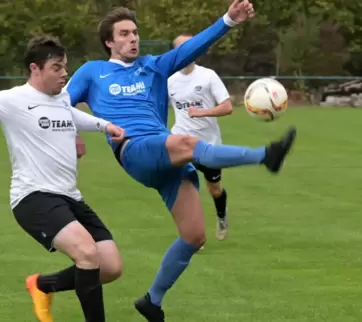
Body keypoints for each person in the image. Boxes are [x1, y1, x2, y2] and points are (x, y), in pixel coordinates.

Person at [66, 1, 296, 321]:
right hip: (134, 149)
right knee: (187, 142)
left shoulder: (154, 65)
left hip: (164, 153)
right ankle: (266, 156)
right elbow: (60, 104)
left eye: (135, 32)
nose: (133, 38)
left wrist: (229, 20)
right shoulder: (93, 72)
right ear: (109, 41)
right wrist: (74, 133)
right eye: (124, 34)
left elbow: (194, 46)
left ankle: (152, 300)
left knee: (194, 236)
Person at [0, 35, 125, 322]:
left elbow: (71, 115)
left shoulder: (61, 97)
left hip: (69, 195)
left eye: (65, 66)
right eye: (56, 68)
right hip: (33, 197)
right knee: (87, 254)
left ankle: (42, 285)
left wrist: (104, 125)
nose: (64, 73)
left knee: (110, 266)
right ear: (35, 69)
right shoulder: (11, 100)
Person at [168, 32, 233, 243]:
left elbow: (227, 107)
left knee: (214, 190)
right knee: (185, 189)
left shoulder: (208, 76)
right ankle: (192, 235)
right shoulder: (169, 81)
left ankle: (222, 217)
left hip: (209, 145)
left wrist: (202, 112)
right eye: (182, 48)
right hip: (181, 142)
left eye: (191, 46)